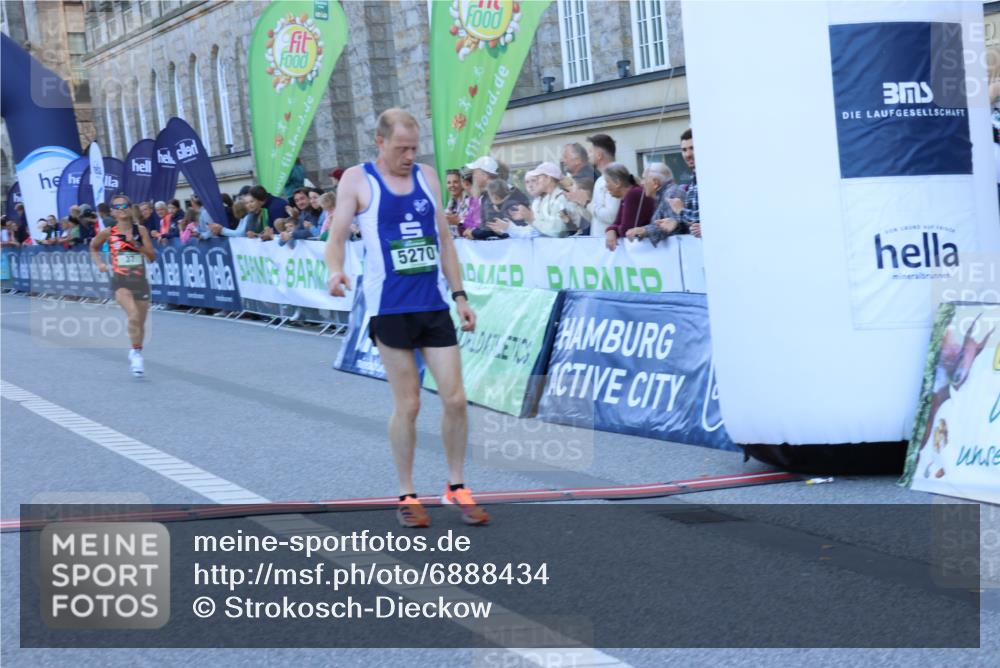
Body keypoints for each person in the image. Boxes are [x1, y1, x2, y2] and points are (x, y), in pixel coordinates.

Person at [324, 107, 488, 528]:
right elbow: (338, 232)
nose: (409, 155)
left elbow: (445, 241)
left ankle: (455, 486)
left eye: (414, 147)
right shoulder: (358, 180)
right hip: (389, 307)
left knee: (454, 398)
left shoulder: (427, 177)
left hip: (432, 305)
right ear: (380, 142)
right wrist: (334, 268)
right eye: (401, 148)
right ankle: (407, 492)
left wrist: (460, 295)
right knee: (409, 403)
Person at [89, 194, 156, 377]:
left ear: (130, 208)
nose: (122, 208)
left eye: (125, 205)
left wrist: (136, 244)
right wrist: (100, 264)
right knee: (133, 315)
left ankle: (136, 350)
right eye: (117, 206)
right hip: (120, 280)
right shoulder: (109, 232)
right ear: (113, 212)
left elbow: (152, 256)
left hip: (140, 280)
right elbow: (93, 246)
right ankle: (136, 355)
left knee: (140, 323)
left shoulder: (140, 230)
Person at [491, 162, 577, 238]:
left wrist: (530, 218)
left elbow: (557, 232)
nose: (536, 182)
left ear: (548, 179)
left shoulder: (562, 198)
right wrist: (509, 228)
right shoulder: (540, 201)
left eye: (538, 178)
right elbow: (533, 232)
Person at [650, 128, 699, 239]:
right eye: (684, 150)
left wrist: (681, 211)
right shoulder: (693, 180)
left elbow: (709, 218)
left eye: (692, 148)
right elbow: (694, 223)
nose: (688, 154)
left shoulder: (710, 179)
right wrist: (676, 223)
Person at [626, 163, 687, 244]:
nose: (641, 183)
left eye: (644, 179)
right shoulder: (663, 194)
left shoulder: (671, 193)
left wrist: (645, 230)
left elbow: (675, 229)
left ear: (655, 183)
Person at [603, 163, 655, 251]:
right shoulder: (627, 195)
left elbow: (626, 229)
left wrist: (613, 230)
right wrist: (610, 230)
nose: (606, 186)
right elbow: (616, 223)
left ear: (617, 182)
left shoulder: (633, 194)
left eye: (607, 182)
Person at [585, 133, 621, 236]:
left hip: (611, 245)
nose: (588, 156)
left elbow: (611, 216)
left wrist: (589, 205)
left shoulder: (615, 176)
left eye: (590, 151)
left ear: (599, 155)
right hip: (601, 244)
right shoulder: (601, 179)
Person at [210, 190, 276, 240]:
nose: (249, 205)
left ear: (258, 201)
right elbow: (240, 232)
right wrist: (221, 230)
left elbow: (241, 234)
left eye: (252, 201)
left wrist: (222, 230)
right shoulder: (248, 215)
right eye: (246, 203)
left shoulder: (266, 212)